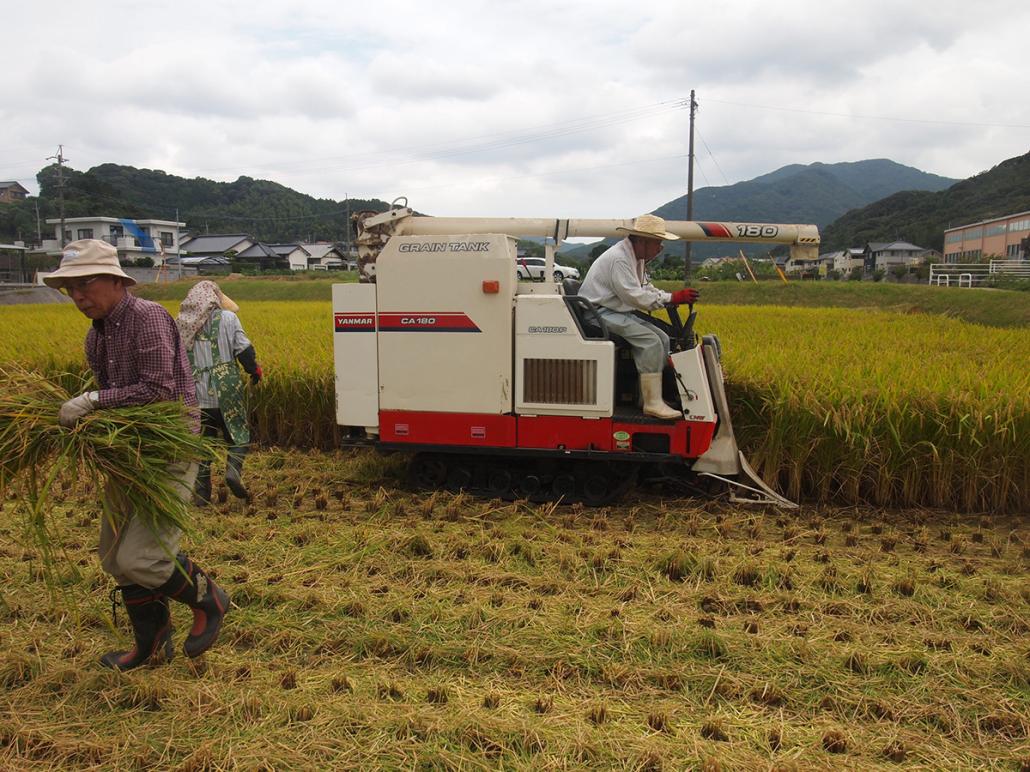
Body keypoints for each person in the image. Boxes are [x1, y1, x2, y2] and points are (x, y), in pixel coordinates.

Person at [44, 239, 229, 671]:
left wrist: (91, 401)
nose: (77, 296)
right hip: (131, 454)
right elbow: (120, 404)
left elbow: (157, 391)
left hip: (168, 449)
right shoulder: (98, 336)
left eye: (85, 284)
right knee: (114, 556)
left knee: (141, 558)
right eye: (69, 287)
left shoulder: (145, 317)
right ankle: (151, 646)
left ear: (116, 280)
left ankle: (210, 600)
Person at [579, 214, 699, 420]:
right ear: (642, 241)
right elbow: (635, 297)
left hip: (612, 310)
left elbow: (644, 288)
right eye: (658, 243)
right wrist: (672, 297)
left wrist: (670, 298)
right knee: (650, 342)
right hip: (596, 313)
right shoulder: (619, 259)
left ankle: (648, 397)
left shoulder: (635, 257)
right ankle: (652, 404)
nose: (660, 249)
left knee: (661, 337)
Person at [176, 280, 262, 504]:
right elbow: (243, 349)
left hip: (195, 394)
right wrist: (255, 371)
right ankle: (233, 472)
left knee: (202, 443)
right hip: (227, 391)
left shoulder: (181, 324)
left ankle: (202, 494)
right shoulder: (228, 318)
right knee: (238, 435)